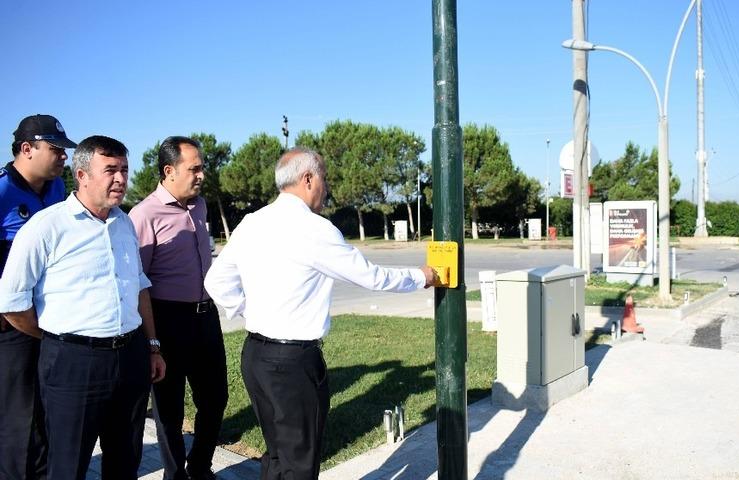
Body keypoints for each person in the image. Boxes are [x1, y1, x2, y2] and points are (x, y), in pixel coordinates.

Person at [204, 147, 437, 480]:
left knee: (277, 456)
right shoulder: (314, 229)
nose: (327, 188)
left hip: (255, 354)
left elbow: (215, 281)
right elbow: (370, 276)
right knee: (299, 463)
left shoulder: (251, 223)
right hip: (292, 364)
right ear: (308, 179)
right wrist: (423, 277)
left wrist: (249, 309)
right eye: (324, 179)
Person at [0, 135, 167, 480]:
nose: (121, 179)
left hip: (130, 357)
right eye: (110, 170)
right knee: (68, 464)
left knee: (125, 459)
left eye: (124, 169)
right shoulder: (46, 227)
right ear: (82, 175)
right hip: (74, 365)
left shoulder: (124, 223)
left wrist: (152, 346)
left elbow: (139, 286)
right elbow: (11, 303)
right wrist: (55, 336)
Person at [129, 136, 227, 480]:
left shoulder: (199, 206)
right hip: (167, 319)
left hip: (205, 317)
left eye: (203, 167)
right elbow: (136, 280)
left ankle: (200, 467)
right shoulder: (143, 215)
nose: (202, 175)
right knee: (169, 410)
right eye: (194, 168)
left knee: (215, 399)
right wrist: (150, 338)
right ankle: (175, 475)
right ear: (169, 171)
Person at [0, 114, 76, 479]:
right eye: (56, 149)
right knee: (19, 416)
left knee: (48, 407)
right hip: (11, 324)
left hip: (51, 317)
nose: (64, 157)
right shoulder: (1, 190)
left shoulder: (58, 188)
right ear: (27, 149)